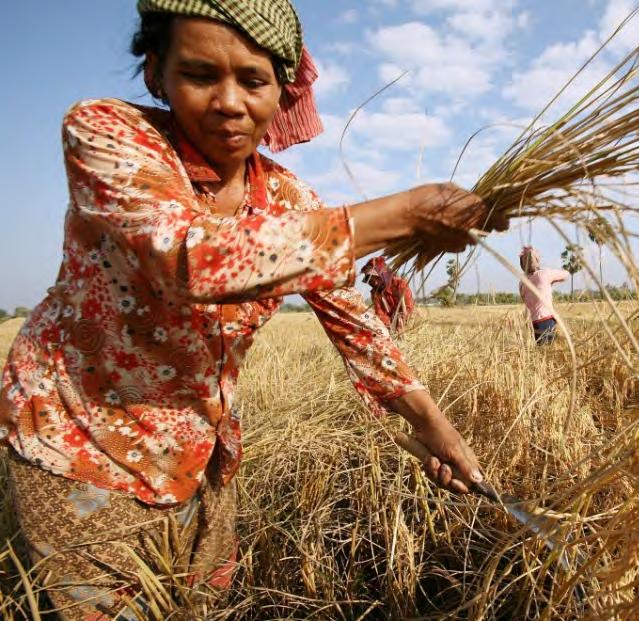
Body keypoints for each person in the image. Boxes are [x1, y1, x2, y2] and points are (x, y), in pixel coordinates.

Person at [0, 2, 505, 618]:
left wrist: (431, 426)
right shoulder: (108, 136)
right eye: (200, 75)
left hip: (201, 456)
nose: (229, 102)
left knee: (202, 607)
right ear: (157, 73)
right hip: (79, 443)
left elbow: (353, 320)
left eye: (253, 79)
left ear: (282, 89)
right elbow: (192, 258)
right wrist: (400, 215)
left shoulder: (288, 197)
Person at [518, 246, 570, 345]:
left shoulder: (521, 283)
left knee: (542, 350)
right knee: (548, 350)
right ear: (537, 260)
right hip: (547, 319)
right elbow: (566, 275)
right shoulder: (544, 274)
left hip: (535, 321)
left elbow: (524, 298)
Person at [362, 256, 415, 335]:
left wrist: (402, 323)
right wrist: (389, 328)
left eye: (376, 278)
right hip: (391, 327)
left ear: (383, 275)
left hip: (410, 323)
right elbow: (381, 314)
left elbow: (408, 308)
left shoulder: (400, 284)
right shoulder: (375, 293)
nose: (375, 283)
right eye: (372, 281)